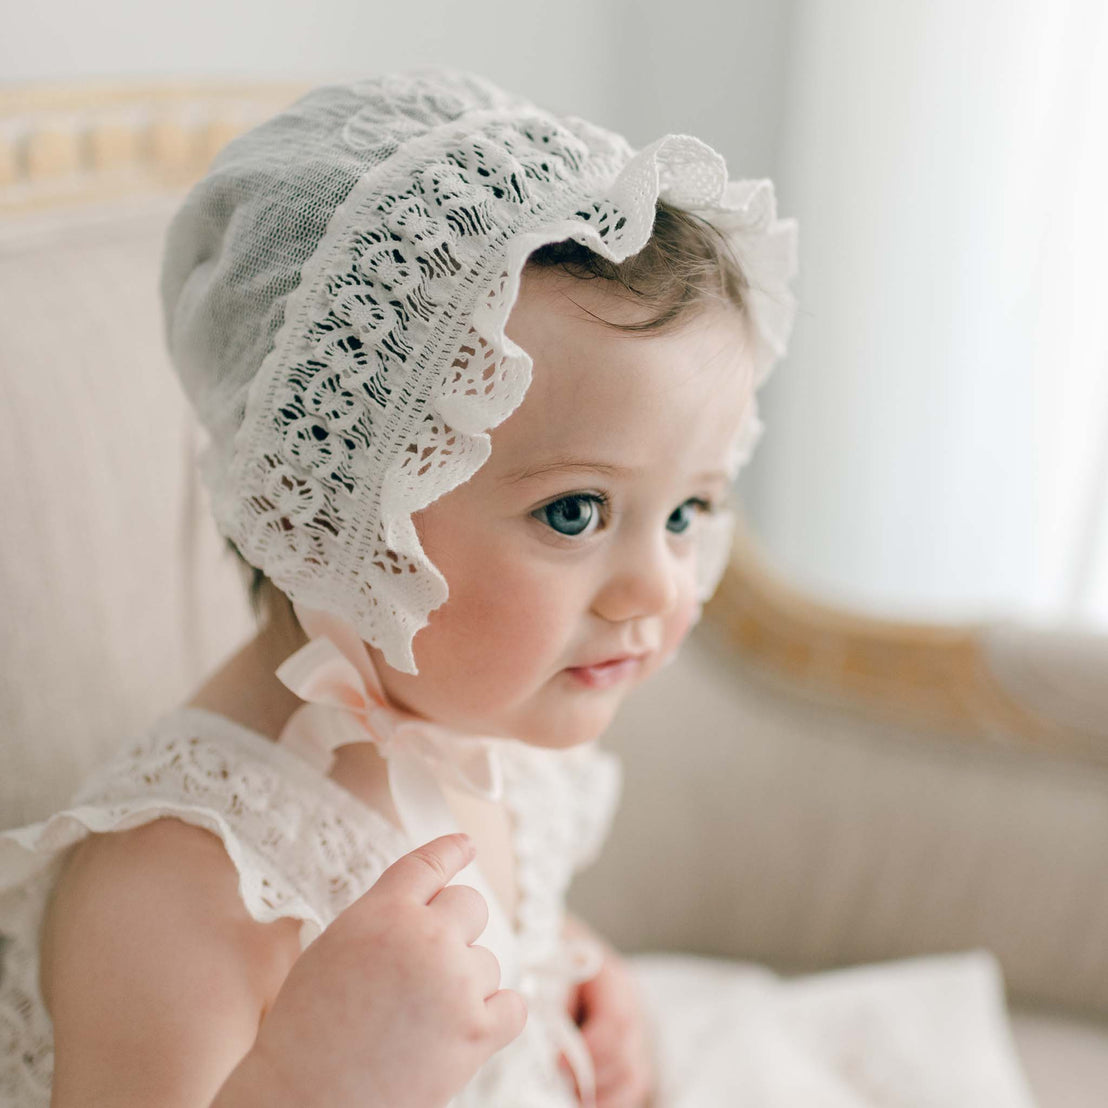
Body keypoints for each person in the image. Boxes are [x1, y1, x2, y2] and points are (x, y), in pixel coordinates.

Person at [0, 70, 1037, 1107]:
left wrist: (567, 976)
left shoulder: (472, 722)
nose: (654, 587)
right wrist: (318, 1079)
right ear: (339, 510)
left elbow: (487, 925)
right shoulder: (180, 884)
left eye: (686, 513)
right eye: (573, 513)